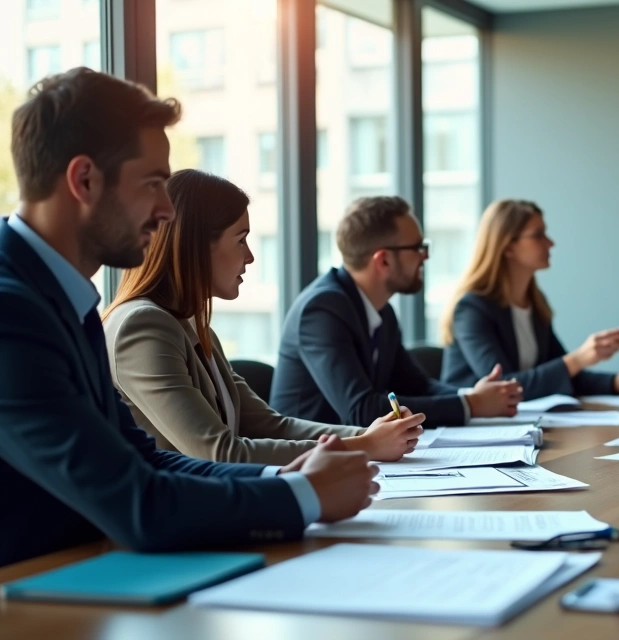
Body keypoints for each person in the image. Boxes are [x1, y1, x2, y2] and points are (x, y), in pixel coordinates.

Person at [0, 68, 375, 568]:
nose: (167, 210)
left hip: (82, 578)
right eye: (153, 183)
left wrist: (285, 480)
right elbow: (138, 504)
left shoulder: (64, 298)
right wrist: (304, 497)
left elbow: (144, 459)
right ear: (84, 179)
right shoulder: (12, 313)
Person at [102, 169, 424, 465]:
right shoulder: (142, 327)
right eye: (241, 239)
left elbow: (271, 425)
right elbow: (220, 452)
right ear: (197, 245)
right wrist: (364, 447)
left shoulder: (191, 325)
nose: (250, 256)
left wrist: (366, 436)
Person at [271, 196, 523, 426]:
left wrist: (472, 396)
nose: (425, 257)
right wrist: (472, 405)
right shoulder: (321, 311)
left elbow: (418, 386)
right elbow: (362, 410)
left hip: (359, 456)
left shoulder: (382, 312)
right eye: (417, 248)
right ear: (383, 260)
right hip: (310, 463)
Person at [439, 199, 619, 400]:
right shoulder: (472, 309)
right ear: (508, 247)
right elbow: (503, 385)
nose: (550, 243)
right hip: (471, 431)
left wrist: (617, 382)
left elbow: (560, 376)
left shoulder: (534, 304)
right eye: (538, 235)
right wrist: (578, 358)